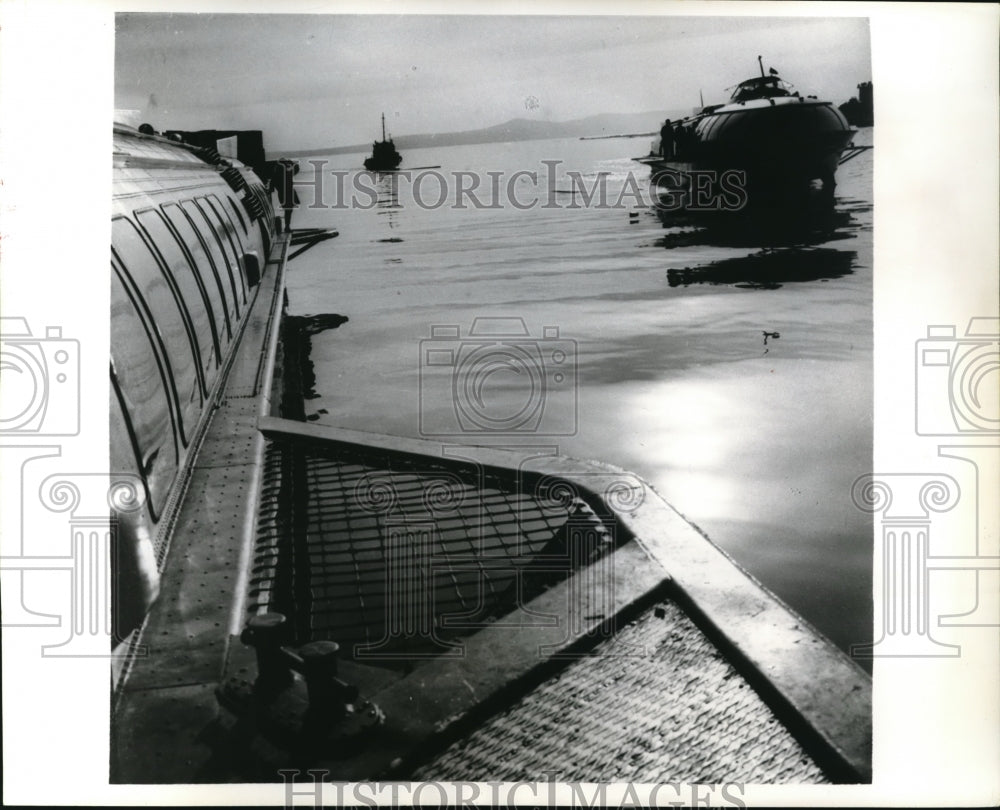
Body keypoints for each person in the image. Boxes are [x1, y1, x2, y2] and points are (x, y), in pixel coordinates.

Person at [271, 159, 300, 230]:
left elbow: (272, 185)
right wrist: (291, 163)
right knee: (288, 210)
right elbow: (296, 168)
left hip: (285, 194)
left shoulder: (278, 175)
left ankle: (287, 226)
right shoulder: (287, 173)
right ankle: (287, 226)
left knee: (288, 210)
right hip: (286, 194)